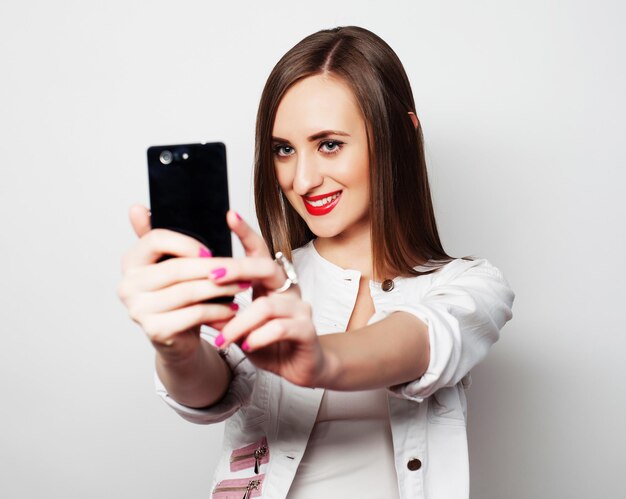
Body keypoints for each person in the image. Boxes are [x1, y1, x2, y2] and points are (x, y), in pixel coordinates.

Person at [118, 26, 514, 499]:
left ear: (401, 136)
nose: (302, 180)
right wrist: (177, 351)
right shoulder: (259, 284)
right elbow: (207, 389)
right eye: (284, 149)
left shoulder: (471, 286)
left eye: (329, 144)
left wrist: (321, 359)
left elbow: (421, 340)